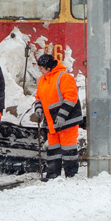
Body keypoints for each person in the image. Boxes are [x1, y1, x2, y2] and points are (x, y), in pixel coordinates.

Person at [33, 52, 82, 180]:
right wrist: (38, 108)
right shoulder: (42, 80)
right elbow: (38, 97)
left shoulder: (64, 77)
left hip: (67, 120)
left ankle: (71, 175)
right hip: (52, 121)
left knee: (68, 149)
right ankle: (53, 175)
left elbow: (71, 97)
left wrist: (62, 115)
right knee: (53, 150)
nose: (40, 71)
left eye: (41, 68)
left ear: (48, 68)